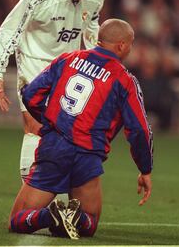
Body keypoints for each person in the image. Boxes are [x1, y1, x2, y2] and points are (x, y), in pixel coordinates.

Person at [8, 19, 153, 239]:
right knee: (89, 223)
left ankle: (49, 217)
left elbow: (30, 95)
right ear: (122, 46)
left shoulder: (68, 59)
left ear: (98, 39)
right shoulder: (125, 80)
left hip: (55, 148)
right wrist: (145, 168)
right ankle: (75, 218)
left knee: (19, 219)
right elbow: (139, 130)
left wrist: (49, 122)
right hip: (87, 157)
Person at [0, 0, 105, 180]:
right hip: (34, 61)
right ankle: (29, 198)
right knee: (35, 127)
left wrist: (96, 63)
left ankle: (57, 200)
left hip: (68, 66)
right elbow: (10, 29)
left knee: (63, 132)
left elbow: (92, 27)